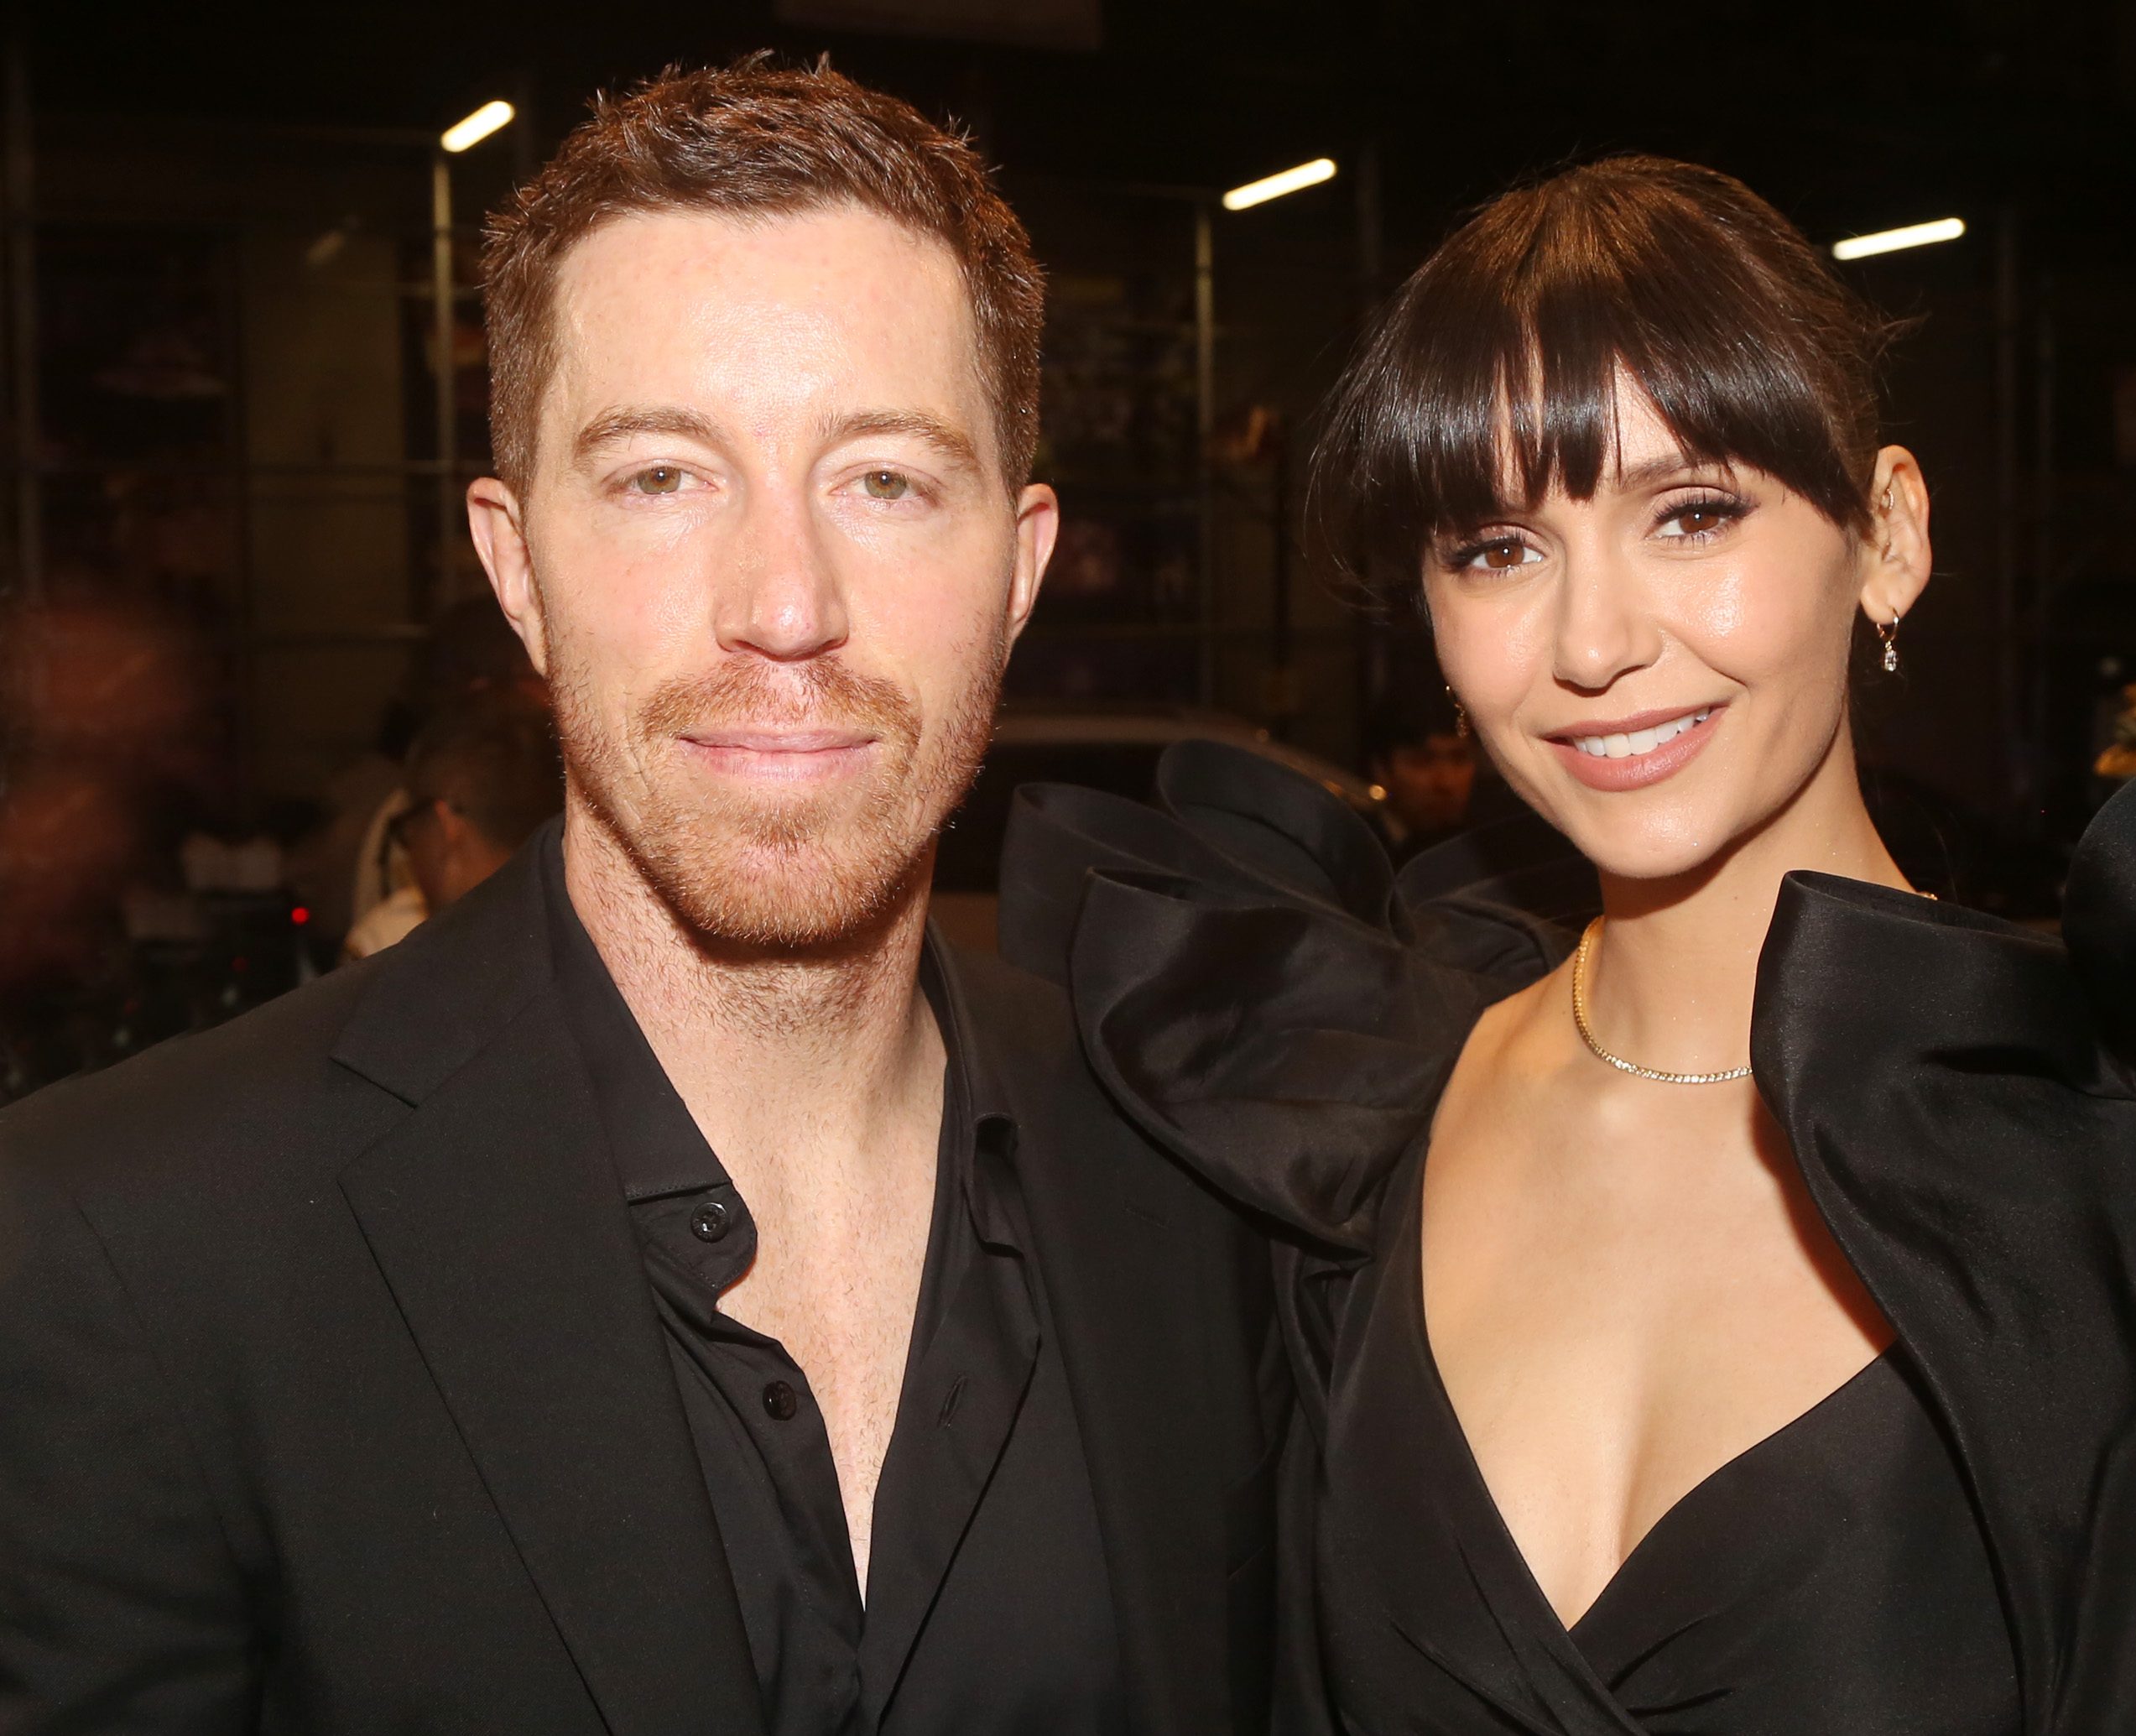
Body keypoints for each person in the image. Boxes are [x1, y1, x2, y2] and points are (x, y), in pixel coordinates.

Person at [999, 156, 2136, 1733]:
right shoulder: (1346, 1123)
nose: (1593, 641)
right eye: (1500, 547)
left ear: (1885, 535)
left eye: (1693, 512)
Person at [0, 60, 1281, 1734]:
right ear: (516, 564)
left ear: (1020, 567)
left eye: (884, 477)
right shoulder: (127, 1245)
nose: (783, 601)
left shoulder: (1202, 1178)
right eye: (662, 476)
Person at [341, 694, 564, 959]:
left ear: (443, 824)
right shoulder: (585, 928)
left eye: (410, 831)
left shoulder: (391, 947)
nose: (409, 855)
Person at [1364, 678, 1478, 860]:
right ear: (1382, 770)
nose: (1445, 782)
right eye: (1422, 762)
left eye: (1459, 759)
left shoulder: (1486, 852)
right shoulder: (1357, 854)